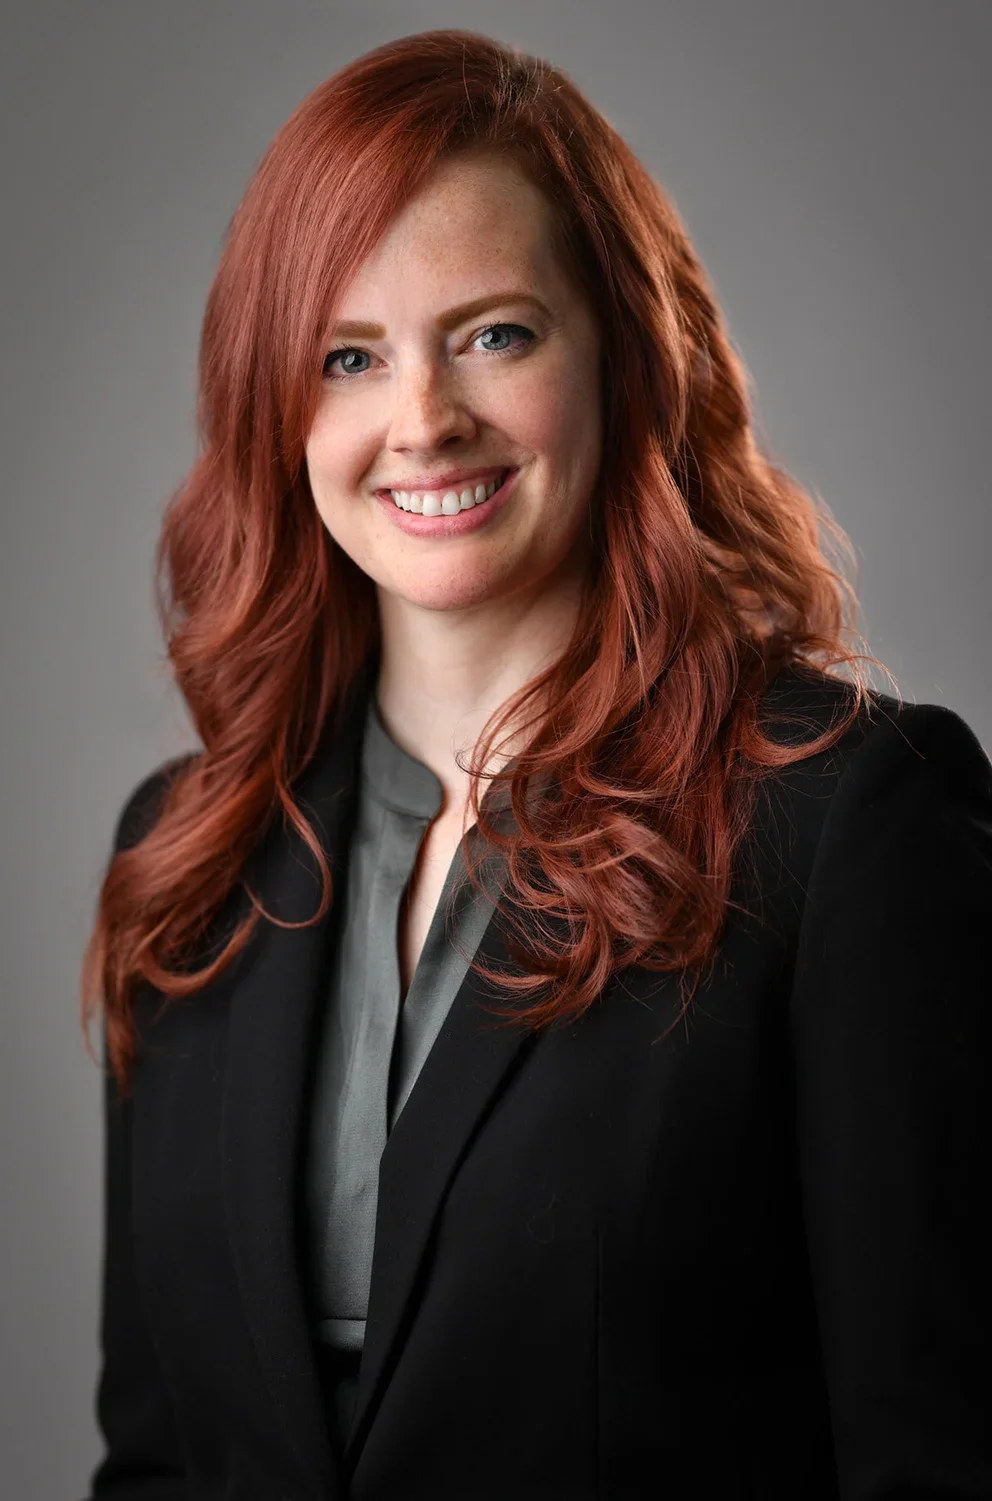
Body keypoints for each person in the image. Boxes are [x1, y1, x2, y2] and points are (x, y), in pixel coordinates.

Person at [79, 27, 992, 1501]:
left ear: (626, 353)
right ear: (281, 406)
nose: (423, 420)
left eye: (496, 333)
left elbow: (935, 1461)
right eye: (348, 357)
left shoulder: (843, 828)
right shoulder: (186, 864)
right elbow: (156, 1466)